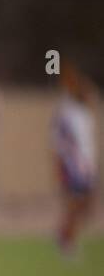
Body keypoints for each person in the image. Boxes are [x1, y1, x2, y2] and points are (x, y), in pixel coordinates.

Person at [52, 64, 97, 259]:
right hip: (74, 167)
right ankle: (66, 241)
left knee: (87, 206)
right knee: (75, 204)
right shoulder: (67, 112)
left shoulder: (84, 113)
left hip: (87, 165)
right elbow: (58, 142)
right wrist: (61, 165)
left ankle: (65, 236)